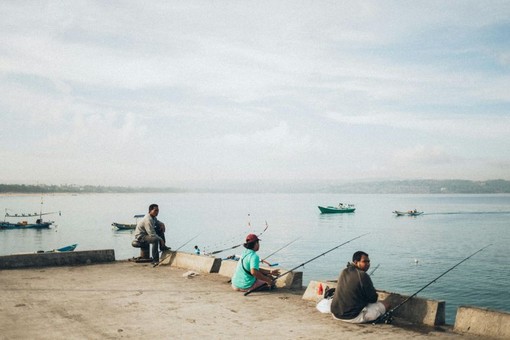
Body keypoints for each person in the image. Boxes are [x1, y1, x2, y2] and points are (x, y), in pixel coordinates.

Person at [330, 251, 391, 323]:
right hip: (352, 317)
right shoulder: (363, 275)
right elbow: (373, 299)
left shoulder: (343, 271)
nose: (368, 264)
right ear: (356, 262)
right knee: (387, 304)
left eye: (369, 262)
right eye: (365, 261)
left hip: (335, 314)